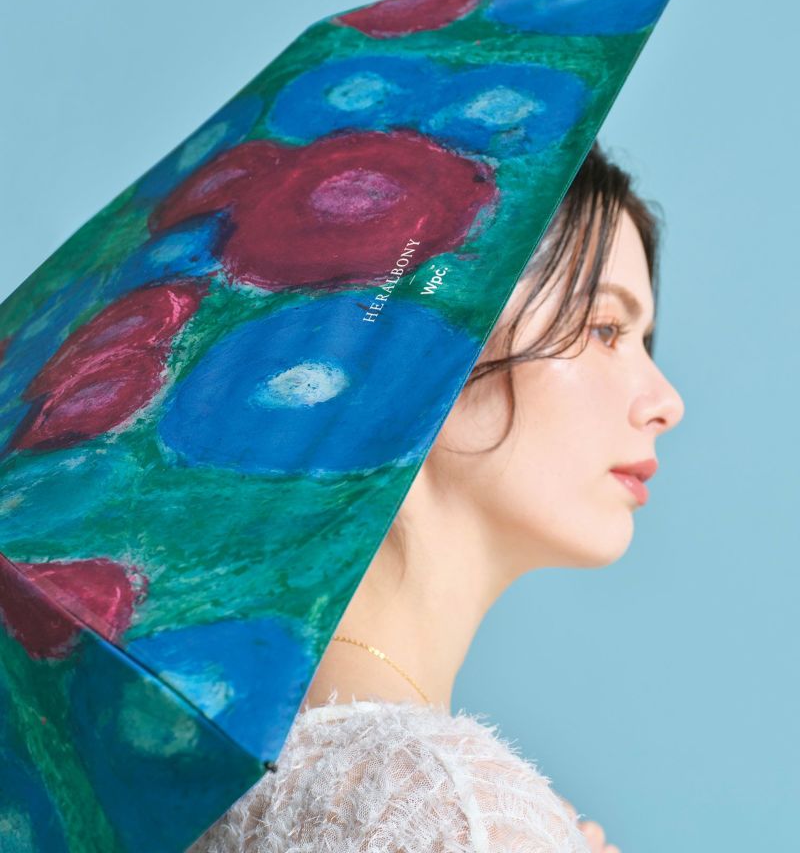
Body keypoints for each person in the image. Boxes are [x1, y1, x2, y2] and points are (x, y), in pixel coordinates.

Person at [187, 139, 685, 853]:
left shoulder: (204, 787)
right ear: (427, 350)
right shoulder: (447, 804)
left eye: (644, 339)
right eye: (606, 329)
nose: (667, 403)